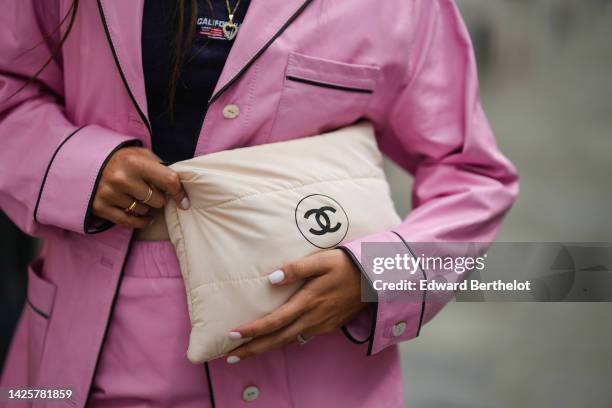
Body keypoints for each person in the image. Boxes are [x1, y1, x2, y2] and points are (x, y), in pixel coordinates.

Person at [0, 0, 518, 407]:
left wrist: (375, 277)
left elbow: (471, 172)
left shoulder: (403, 7)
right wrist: (74, 166)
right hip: (94, 360)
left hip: (309, 356)